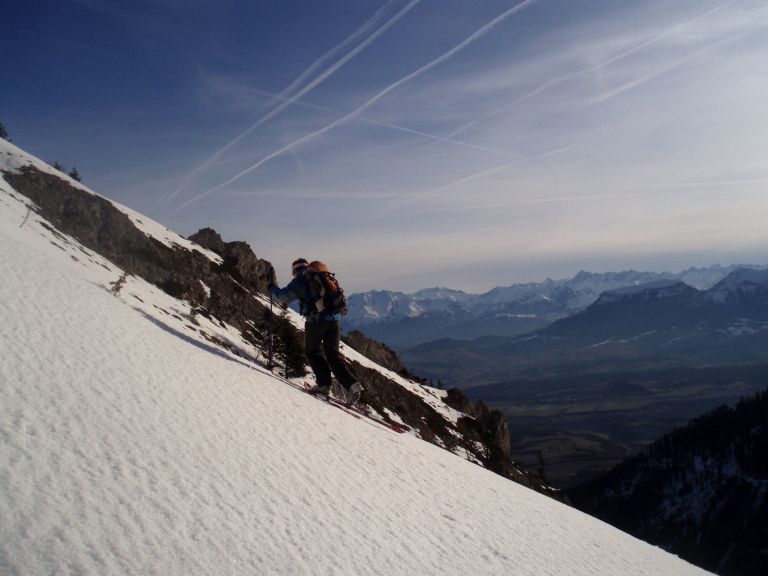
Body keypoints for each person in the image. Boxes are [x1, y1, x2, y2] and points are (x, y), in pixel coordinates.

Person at [269, 258, 363, 405]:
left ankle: (324, 385)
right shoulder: (322, 276)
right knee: (334, 356)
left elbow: (283, 297)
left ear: (295, 271)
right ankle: (353, 386)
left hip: (316, 322)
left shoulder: (300, 280)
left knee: (312, 352)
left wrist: (271, 288)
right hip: (335, 320)